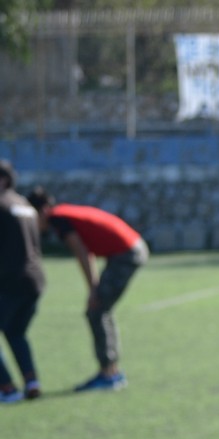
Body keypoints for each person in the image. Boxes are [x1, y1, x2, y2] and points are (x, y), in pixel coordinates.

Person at [27, 187, 148, 391]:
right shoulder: (63, 213)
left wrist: (93, 289)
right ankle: (111, 370)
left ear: (43, 210)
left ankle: (109, 374)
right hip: (131, 248)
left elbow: (82, 253)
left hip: (126, 253)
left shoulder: (58, 219)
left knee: (97, 309)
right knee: (100, 310)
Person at [0, 160, 46, 403]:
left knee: (14, 330)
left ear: (3, 180)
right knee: (15, 332)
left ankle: (6, 388)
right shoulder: (25, 205)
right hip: (35, 279)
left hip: (11, 280)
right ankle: (31, 381)